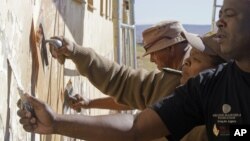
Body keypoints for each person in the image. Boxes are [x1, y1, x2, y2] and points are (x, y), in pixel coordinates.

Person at [18, 0, 249, 139]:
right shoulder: (195, 88)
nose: (187, 62)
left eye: (196, 59)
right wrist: (57, 122)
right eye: (220, 14)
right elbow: (135, 123)